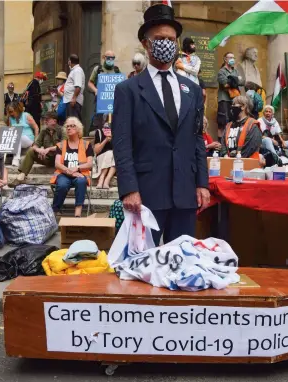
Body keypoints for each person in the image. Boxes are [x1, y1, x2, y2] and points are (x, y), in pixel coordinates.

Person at [113, 4, 209, 245]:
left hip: (185, 195)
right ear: (146, 43)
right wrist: (128, 189)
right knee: (143, 271)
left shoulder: (193, 91)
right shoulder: (128, 90)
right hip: (146, 195)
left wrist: (202, 184)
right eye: (159, 39)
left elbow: (196, 139)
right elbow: (122, 142)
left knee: (181, 267)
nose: (166, 43)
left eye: (171, 39)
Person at [51, 117, 93, 217]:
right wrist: (69, 171)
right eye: (67, 126)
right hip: (64, 174)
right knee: (62, 185)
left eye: (72, 126)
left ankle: (77, 214)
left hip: (80, 173)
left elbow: (90, 164)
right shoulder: (61, 145)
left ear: (78, 129)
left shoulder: (86, 144)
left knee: (81, 181)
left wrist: (77, 168)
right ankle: (55, 211)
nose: (69, 128)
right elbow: (57, 164)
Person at [10, 112, 63, 186]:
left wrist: (49, 149)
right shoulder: (44, 131)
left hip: (59, 160)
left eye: (47, 120)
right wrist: (39, 150)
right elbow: (35, 145)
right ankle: (22, 176)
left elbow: (63, 145)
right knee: (31, 151)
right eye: (45, 120)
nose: (45, 122)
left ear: (54, 120)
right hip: (47, 158)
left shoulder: (62, 130)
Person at [88, 50, 121, 132]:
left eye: (113, 58)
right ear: (104, 57)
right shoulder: (98, 69)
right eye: (108, 57)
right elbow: (90, 83)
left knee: (113, 120)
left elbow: (121, 83)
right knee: (99, 121)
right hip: (101, 100)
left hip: (113, 100)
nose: (110, 60)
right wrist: (96, 90)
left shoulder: (116, 70)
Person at [220, 95, 262, 160]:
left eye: (234, 104)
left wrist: (236, 159)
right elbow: (223, 143)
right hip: (229, 164)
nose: (232, 107)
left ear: (243, 107)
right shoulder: (229, 125)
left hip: (248, 166)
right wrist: (225, 155)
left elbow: (250, 147)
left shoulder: (253, 125)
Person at [217, 52, 243, 140]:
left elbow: (242, 82)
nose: (232, 59)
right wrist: (235, 80)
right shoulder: (221, 71)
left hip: (235, 100)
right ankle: (220, 145)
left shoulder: (235, 71)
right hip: (224, 99)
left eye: (233, 57)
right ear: (225, 59)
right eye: (230, 57)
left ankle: (230, 144)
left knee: (234, 122)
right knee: (223, 122)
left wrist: (231, 81)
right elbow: (225, 84)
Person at [5, 101, 40, 167]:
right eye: (9, 112)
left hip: (28, 138)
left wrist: (36, 142)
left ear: (17, 109)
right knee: (15, 136)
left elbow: (36, 128)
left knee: (17, 136)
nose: (10, 113)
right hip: (17, 139)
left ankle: (16, 159)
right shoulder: (10, 118)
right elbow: (10, 130)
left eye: (12, 111)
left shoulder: (26, 115)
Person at [93, 120, 115, 189]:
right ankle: (102, 177)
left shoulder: (117, 131)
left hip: (113, 161)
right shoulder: (99, 132)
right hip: (101, 159)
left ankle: (106, 180)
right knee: (109, 153)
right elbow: (96, 151)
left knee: (114, 154)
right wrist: (105, 140)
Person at [63, 54, 85, 121]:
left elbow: (78, 86)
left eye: (68, 61)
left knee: (74, 122)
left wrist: (74, 98)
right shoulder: (74, 70)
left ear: (70, 61)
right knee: (71, 121)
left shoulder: (77, 70)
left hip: (73, 101)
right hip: (71, 100)